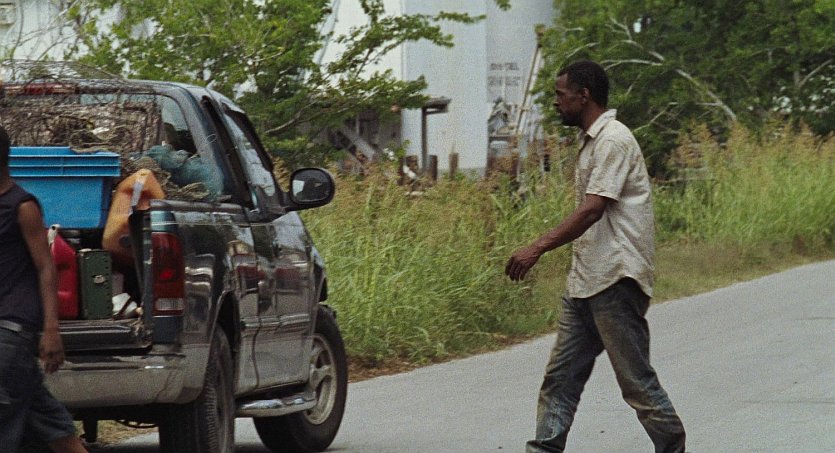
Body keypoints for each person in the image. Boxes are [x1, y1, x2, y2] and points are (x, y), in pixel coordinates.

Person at [505, 61, 686, 453]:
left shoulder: (613, 140)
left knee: (637, 384)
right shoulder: (591, 141)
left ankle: (672, 447)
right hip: (586, 282)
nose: (556, 103)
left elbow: (592, 210)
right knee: (560, 380)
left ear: (583, 95)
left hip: (615, 280)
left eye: (560, 94)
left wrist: (536, 248)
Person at [0, 125, 88, 453]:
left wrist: (52, 330)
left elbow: (46, 267)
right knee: (58, 432)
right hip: (10, 344)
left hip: (10, 331)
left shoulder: (21, 206)